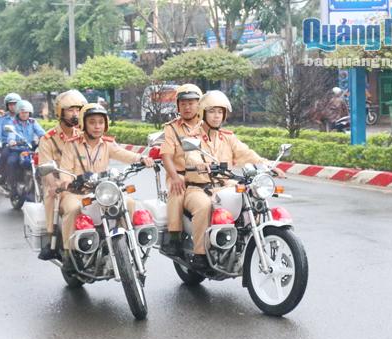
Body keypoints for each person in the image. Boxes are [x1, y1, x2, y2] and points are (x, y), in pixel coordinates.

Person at [183, 91, 285, 269]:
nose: (216, 116)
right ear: (203, 113)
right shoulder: (193, 137)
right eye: (213, 111)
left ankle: (245, 240)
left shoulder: (227, 137)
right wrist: (200, 164)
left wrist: (267, 165)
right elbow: (191, 155)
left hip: (225, 184)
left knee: (251, 195)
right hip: (198, 188)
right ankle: (200, 255)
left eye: (220, 112)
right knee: (204, 206)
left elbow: (246, 153)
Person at [55, 103, 154, 269]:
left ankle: (124, 244)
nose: (97, 126)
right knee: (72, 208)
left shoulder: (107, 144)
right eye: (92, 122)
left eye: (101, 122)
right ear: (84, 124)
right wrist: (67, 181)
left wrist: (142, 159)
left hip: (103, 191)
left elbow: (124, 154)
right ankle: (68, 253)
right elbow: (65, 170)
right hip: (77, 192)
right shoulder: (72, 145)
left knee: (128, 202)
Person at [36, 89, 87, 260]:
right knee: (53, 197)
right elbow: (45, 167)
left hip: (83, 183)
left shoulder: (83, 135)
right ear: (60, 112)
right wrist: (54, 185)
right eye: (71, 110)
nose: (75, 114)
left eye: (78, 110)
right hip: (59, 185)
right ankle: (55, 241)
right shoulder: (48, 139)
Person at [159, 83, 203, 256]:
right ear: (178, 105)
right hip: (180, 175)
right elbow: (166, 156)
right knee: (177, 193)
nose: (187, 107)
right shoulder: (171, 128)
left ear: (200, 104)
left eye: (191, 102)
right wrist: (175, 177)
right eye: (183, 103)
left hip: (204, 175)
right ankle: (174, 237)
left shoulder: (207, 125)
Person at [1, 100, 45, 184]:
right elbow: (11, 135)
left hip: (30, 149)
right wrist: (12, 141)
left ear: (29, 113)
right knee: (12, 162)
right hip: (17, 150)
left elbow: (41, 133)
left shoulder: (33, 122)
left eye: (26, 112)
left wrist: (44, 138)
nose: (24, 114)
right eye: (22, 112)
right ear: (18, 113)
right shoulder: (13, 122)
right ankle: (12, 186)